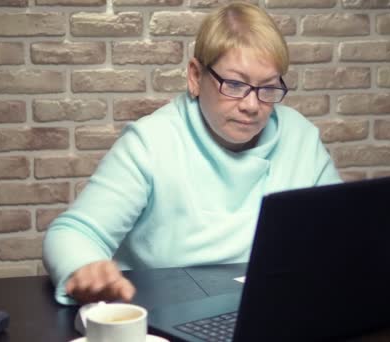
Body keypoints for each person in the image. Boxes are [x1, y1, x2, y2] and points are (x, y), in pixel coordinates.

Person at [42, 2, 342, 306]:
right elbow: (72, 232)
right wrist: (84, 269)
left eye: (267, 88)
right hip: (162, 312)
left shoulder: (300, 136)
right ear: (196, 77)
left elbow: (343, 231)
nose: (252, 105)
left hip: (268, 310)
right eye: (235, 84)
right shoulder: (151, 142)